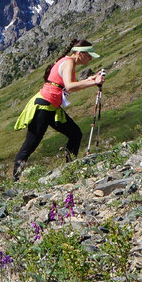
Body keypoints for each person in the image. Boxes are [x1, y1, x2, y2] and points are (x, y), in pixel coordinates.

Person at [12, 41, 105, 180]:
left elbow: (67, 87)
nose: (90, 59)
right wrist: (93, 82)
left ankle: (70, 170)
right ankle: (16, 180)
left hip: (51, 107)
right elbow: (70, 86)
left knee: (75, 134)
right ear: (80, 53)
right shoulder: (69, 63)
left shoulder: (67, 62)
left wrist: (90, 79)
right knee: (30, 145)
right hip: (44, 107)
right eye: (89, 55)